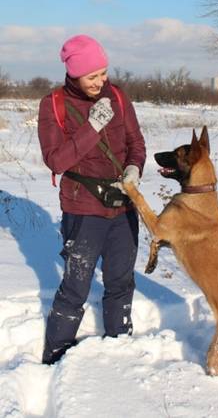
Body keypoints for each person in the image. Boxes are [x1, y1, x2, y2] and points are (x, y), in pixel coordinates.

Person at [38, 34, 146, 365]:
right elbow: (56, 161)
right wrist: (92, 126)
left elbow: (136, 143)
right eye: (92, 76)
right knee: (75, 288)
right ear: (74, 74)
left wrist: (133, 167)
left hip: (122, 205)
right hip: (83, 208)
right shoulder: (53, 104)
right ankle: (55, 357)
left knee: (120, 282)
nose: (101, 81)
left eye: (103, 72)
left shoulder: (117, 96)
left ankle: (119, 349)